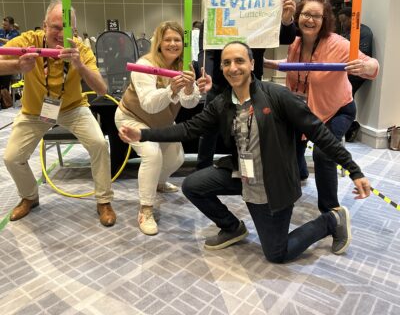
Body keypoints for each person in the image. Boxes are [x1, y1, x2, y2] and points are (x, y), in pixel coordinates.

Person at [118, 41, 371, 263]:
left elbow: (319, 132)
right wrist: (144, 134)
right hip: (244, 175)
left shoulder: (278, 96)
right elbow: (188, 129)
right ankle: (232, 227)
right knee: (193, 185)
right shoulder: (222, 103)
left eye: (239, 60)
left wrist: (354, 170)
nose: (233, 67)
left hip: (274, 185)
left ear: (251, 64)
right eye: (227, 62)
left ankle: (332, 220)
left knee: (277, 253)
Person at [0, 0, 116, 227]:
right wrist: (17, 66)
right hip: (34, 111)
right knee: (12, 157)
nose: (61, 34)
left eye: (67, 29)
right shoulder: (29, 41)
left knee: (99, 144)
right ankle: (30, 197)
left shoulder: (80, 49)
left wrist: (80, 65)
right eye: (55, 27)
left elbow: (102, 89)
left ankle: (103, 200)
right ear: (44, 25)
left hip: (73, 108)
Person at [264, 0, 379, 212]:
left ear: (325, 19)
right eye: (306, 14)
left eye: (317, 16)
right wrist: (264, 63)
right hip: (303, 110)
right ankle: (300, 174)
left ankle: (331, 211)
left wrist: (365, 67)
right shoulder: (295, 43)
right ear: (298, 16)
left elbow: (372, 65)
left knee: (322, 153)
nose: (310, 20)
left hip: (336, 110)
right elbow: (290, 64)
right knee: (286, 142)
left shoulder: (338, 44)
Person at [196, 0, 297, 170]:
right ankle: (202, 169)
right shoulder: (214, 14)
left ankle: (246, 169)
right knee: (208, 130)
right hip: (219, 84)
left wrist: (286, 20)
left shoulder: (261, 14)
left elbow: (286, 37)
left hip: (252, 85)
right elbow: (205, 51)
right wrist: (206, 75)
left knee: (249, 129)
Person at [114, 21, 207, 235]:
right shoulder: (144, 65)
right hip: (132, 117)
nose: (173, 44)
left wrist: (191, 87)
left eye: (177, 40)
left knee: (177, 158)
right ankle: (145, 208)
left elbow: (189, 104)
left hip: (161, 121)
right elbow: (148, 104)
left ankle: (158, 183)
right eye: (168, 39)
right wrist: (171, 90)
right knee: (152, 155)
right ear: (158, 42)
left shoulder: (184, 66)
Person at [338, 7, 374, 141]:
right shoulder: (347, 32)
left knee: (346, 97)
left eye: (344, 21)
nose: (342, 24)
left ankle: (349, 128)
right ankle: (347, 128)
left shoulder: (364, 32)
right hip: (347, 70)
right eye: (340, 22)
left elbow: (363, 56)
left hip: (357, 73)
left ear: (352, 19)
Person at [0, 16, 21, 102]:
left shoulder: (15, 33)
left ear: (11, 25)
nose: (3, 26)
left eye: (5, 25)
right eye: (3, 24)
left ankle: (9, 98)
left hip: (11, 60)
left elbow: (10, 42)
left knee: (10, 81)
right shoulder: (1, 31)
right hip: (2, 59)